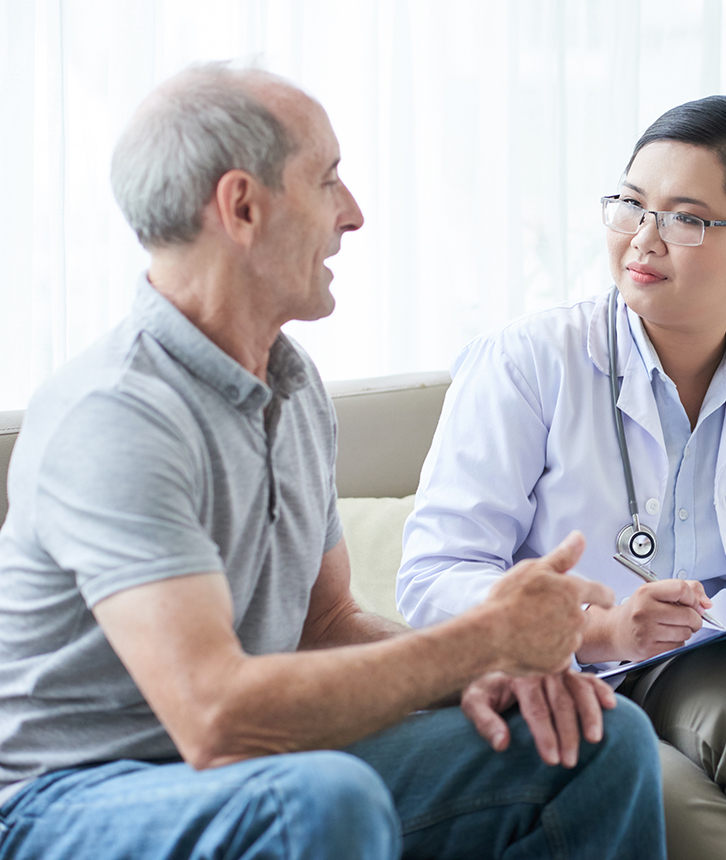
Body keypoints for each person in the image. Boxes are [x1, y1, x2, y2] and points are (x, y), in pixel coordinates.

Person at [0, 63, 668, 860]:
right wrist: (482, 641)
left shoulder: (290, 384)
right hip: (68, 797)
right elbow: (214, 716)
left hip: (256, 773)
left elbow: (325, 623)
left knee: (597, 737)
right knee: (319, 801)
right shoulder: (116, 415)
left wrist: (488, 676)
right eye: (328, 181)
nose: (353, 214)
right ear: (242, 207)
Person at [398, 95, 726, 860]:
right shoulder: (530, 361)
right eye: (629, 206)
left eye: (685, 218)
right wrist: (596, 630)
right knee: (677, 811)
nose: (642, 240)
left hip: (720, 665)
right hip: (563, 676)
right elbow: (434, 575)